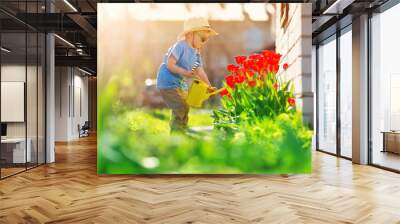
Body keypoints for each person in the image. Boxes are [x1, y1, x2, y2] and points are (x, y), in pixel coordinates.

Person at [156, 17, 218, 132]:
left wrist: (208, 85)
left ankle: (182, 130)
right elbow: (170, 64)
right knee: (179, 107)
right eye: (203, 38)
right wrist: (185, 72)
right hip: (168, 82)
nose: (204, 42)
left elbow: (200, 70)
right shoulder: (181, 46)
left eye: (206, 39)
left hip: (179, 83)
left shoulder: (196, 52)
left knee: (185, 106)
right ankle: (176, 133)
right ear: (190, 35)